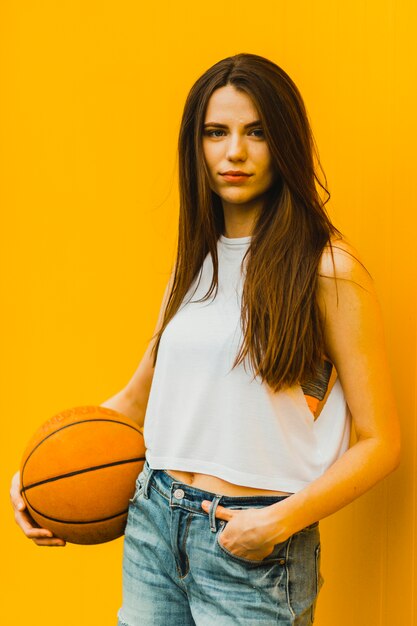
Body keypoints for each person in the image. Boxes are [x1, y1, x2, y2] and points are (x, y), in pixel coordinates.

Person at [10, 53, 401, 625]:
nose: (233, 152)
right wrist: (36, 476)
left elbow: (380, 443)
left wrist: (278, 522)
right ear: (196, 147)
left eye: (256, 133)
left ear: (285, 144)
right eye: (216, 133)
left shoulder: (328, 269)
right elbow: (134, 401)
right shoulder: (194, 264)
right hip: (153, 522)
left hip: (253, 544)